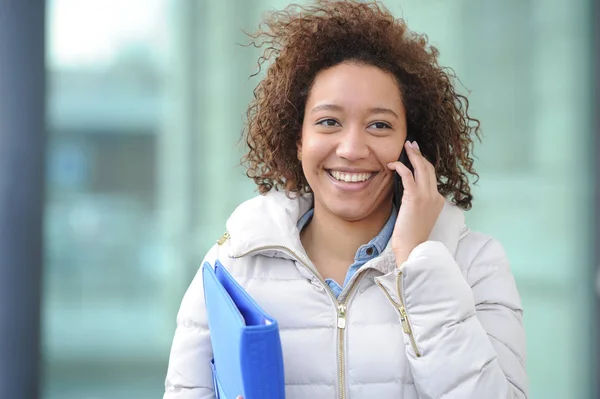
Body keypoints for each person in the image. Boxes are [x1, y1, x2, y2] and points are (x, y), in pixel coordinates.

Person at [163, 1, 528, 398]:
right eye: (329, 122)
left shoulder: (474, 264)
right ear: (298, 140)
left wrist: (416, 264)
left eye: (379, 125)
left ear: (412, 144)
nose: (352, 149)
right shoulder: (231, 266)